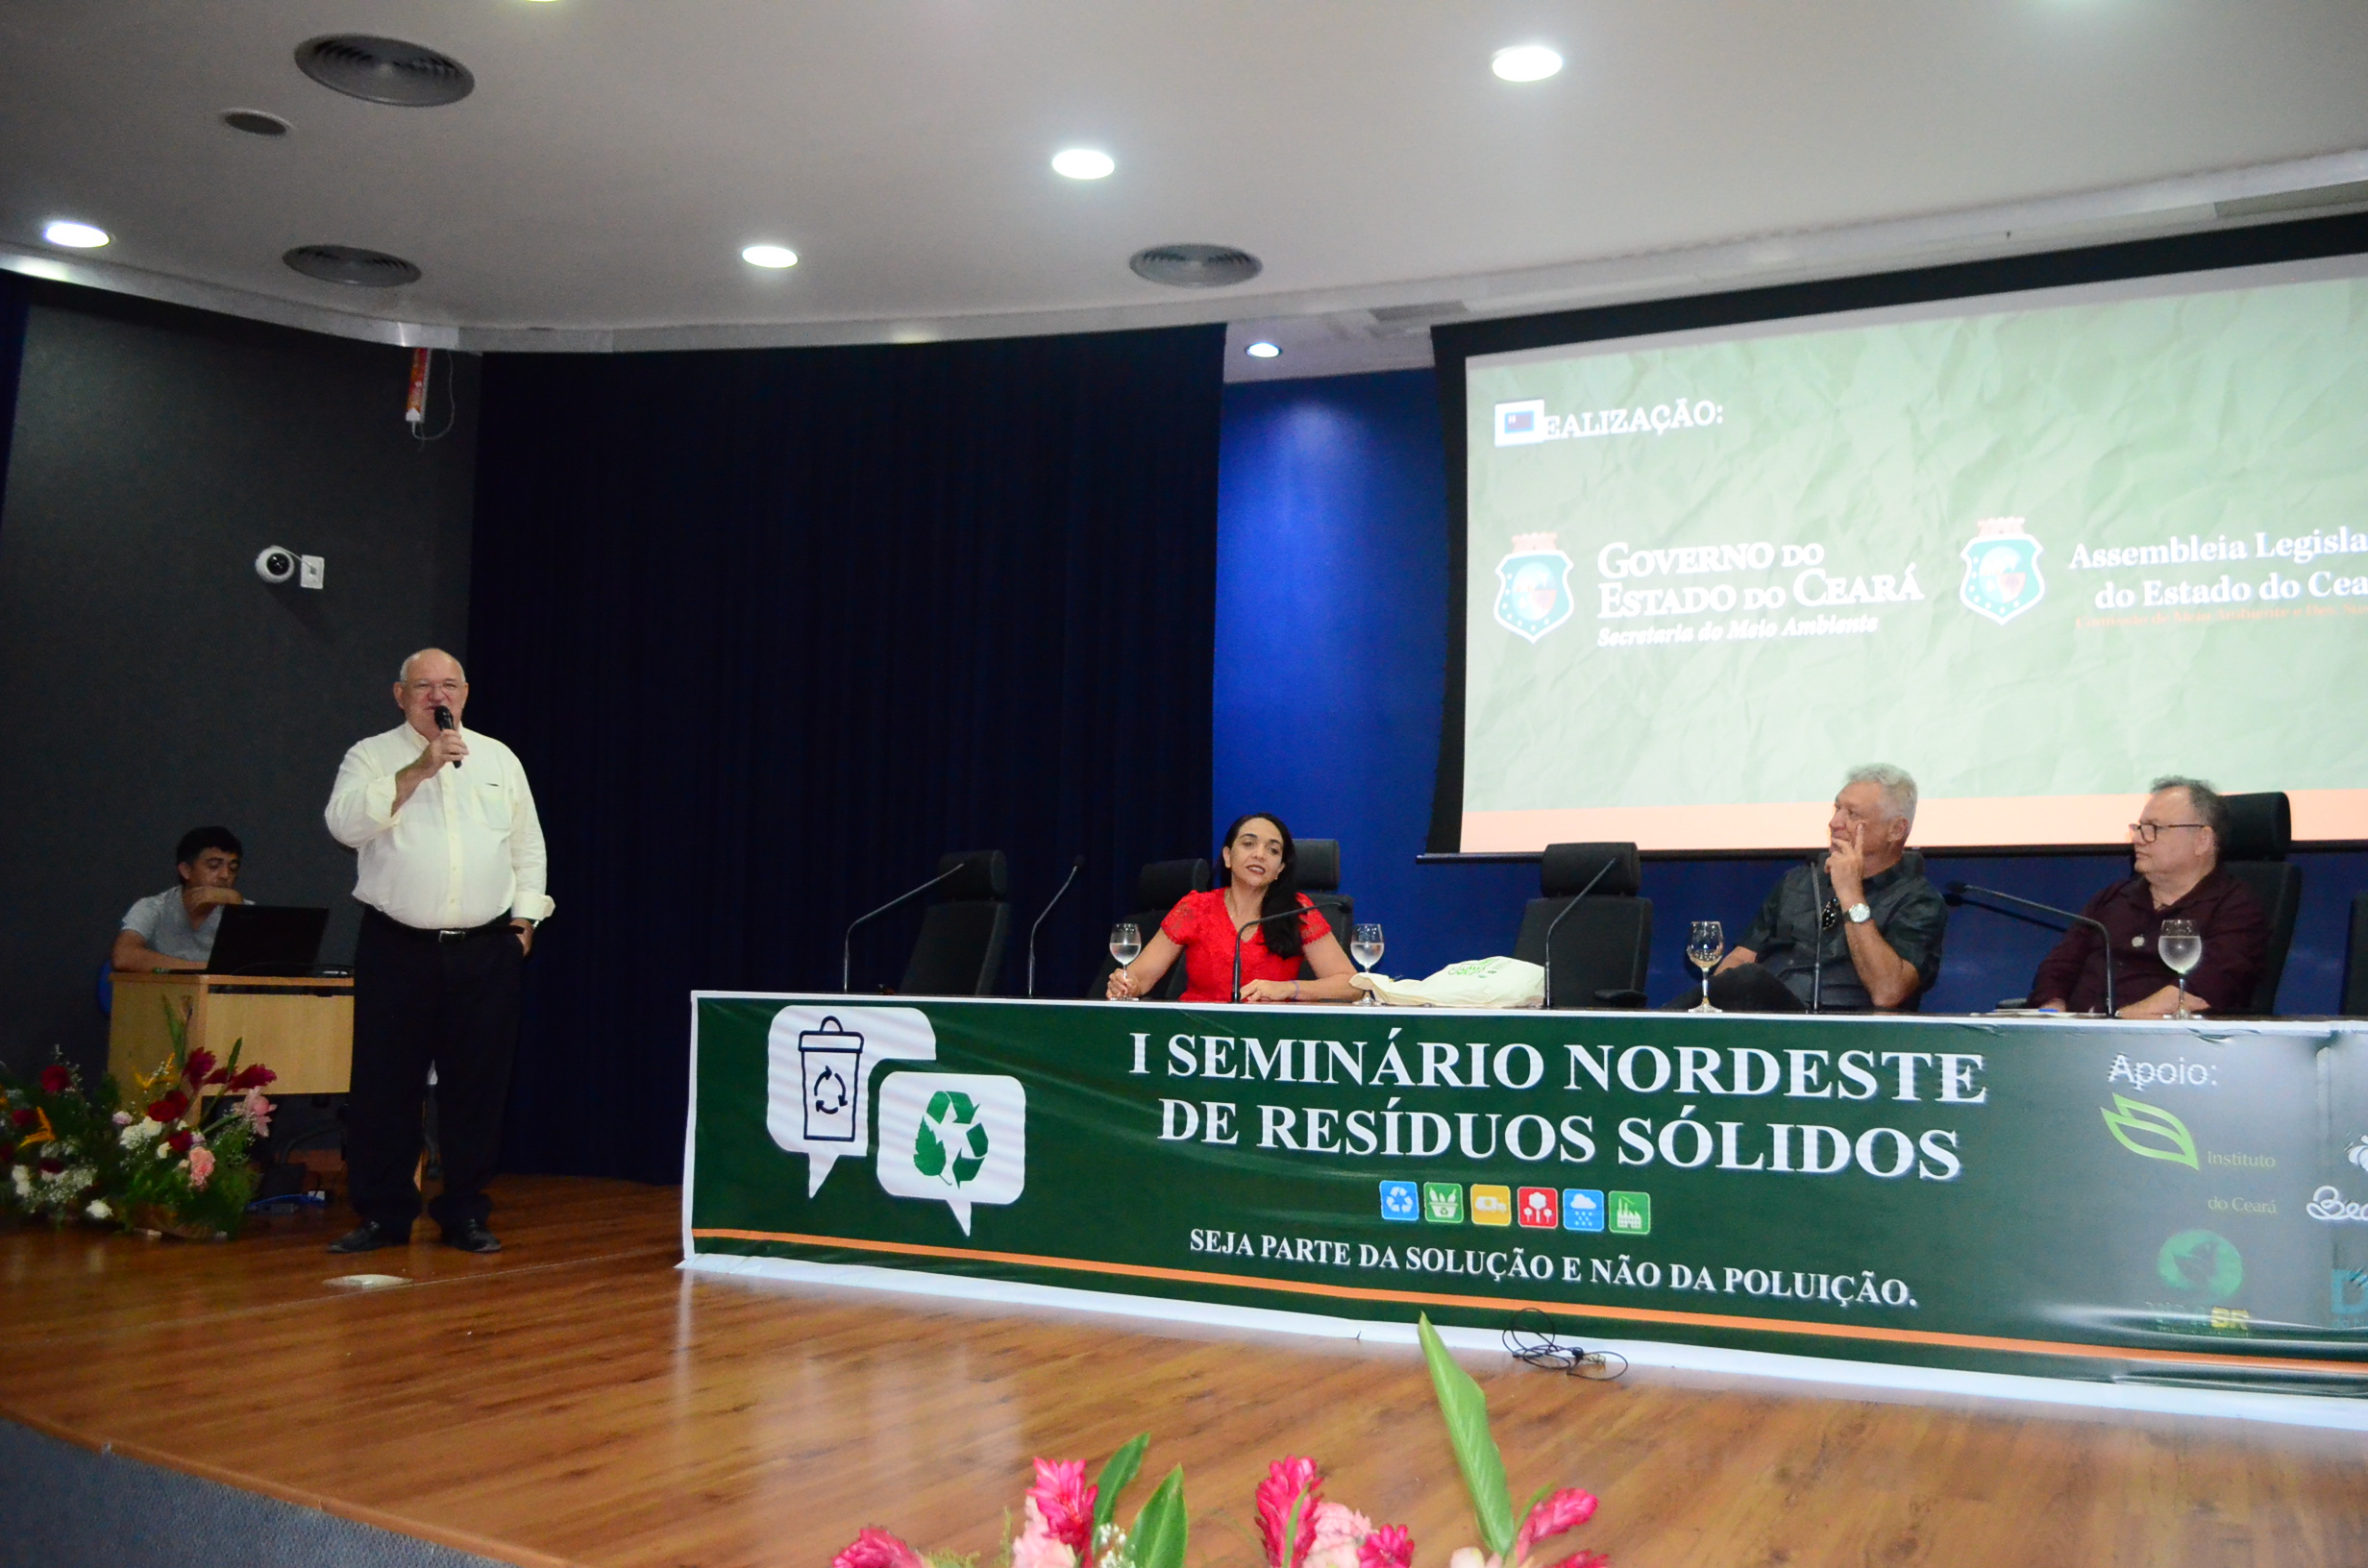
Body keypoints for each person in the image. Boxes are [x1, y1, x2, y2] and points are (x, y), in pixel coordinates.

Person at [322, 649, 552, 1256]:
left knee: (477, 1088)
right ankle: (384, 1215)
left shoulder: (499, 758)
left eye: (449, 685)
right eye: (423, 686)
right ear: (400, 695)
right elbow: (344, 826)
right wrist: (420, 769)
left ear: (465, 693)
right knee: (384, 1087)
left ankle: (465, 1213)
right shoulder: (371, 756)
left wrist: (525, 920)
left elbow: (528, 848)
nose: (437, 696)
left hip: (486, 950)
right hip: (397, 948)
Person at [1692, 765, 1948, 1013]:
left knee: (1750, 979)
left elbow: (1888, 992)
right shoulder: (1798, 882)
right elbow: (1742, 956)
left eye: (1853, 814)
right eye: (1837, 808)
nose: (1834, 822)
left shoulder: (1919, 900)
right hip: (1766, 1014)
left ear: (1896, 829)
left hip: (1844, 1028)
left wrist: (1851, 895)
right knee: (1740, 980)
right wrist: (1715, 1005)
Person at [2026, 776, 2268, 1018]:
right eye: (2139, 828)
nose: (2139, 838)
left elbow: (2204, 989)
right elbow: (2058, 968)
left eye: (2154, 828)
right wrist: (2052, 1012)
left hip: (2154, 1039)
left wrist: (2117, 1023)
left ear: (2202, 840)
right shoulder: (2114, 898)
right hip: (2077, 1032)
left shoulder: (2237, 907)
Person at [1107, 813, 1358, 1004]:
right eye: (1248, 844)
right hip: (1194, 1040)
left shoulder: (1297, 910)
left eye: (1272, 850)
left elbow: (1352, 984)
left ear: (1279, 869)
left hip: (1269, 1040)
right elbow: (1141, 977)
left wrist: (1289, 989)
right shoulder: (1195, 908)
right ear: (1228, 856)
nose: (1259, 855)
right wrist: (1125, 984)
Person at [113, 826, 246, 971]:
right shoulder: (153, 907)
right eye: (214, 866)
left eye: (233, 868)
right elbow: (124, 957)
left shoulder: (243, 907)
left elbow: (259, 966)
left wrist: (239, 911)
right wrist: (204, 970)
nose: (225, 875)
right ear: (186, 870)